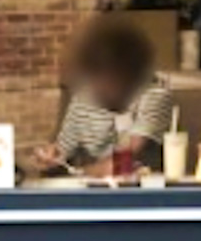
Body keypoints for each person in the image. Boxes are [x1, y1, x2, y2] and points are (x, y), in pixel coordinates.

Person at [29, 15, 174, 177]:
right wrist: (50, 157)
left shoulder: (155, 93)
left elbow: (120, 164)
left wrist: (82, 172)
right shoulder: (84, 96)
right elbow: (62, 151)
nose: (99, 85)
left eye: (110, 75)